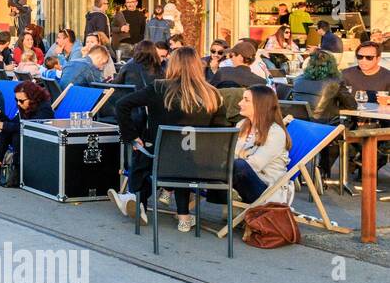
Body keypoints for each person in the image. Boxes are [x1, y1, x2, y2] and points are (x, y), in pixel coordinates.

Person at [108, 47, 228, 232]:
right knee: (182, 154)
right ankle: (184, 217)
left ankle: (136, 198)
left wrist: (132, 137)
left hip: (162, 162)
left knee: (145, 147)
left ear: (173, 65)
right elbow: (220, 132)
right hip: (201, 167)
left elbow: (122, 105)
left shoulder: (159, 88)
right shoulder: (213, 95)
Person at [206, 86, 292, 207]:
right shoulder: (241, 125)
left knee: (238, 165)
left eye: (246, 100)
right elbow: (230, 154)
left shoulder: (275, 132)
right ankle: (226, 191)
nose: (240, 103)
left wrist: (229, 162)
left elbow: (255, 164)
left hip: (265, 189)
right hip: (240, 180)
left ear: (260, 105)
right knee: (208, 158)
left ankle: (224, 192)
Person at [291, 49, 354, 124]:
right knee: (351, 123)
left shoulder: (297, 80)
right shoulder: (335, 82)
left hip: (299, 126)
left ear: (310, 64)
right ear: (333, 65)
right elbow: (352, 105)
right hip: (325, 128)